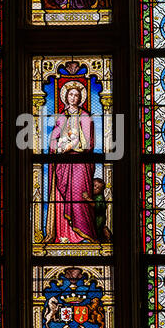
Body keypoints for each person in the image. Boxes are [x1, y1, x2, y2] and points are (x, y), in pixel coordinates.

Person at [44, 83, 97, 244]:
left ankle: (83, 235)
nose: (73, 97)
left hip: (80, 163)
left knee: (79, 196)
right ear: (65, 97)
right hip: (63, 163)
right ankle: (62, 235)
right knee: (61, 197)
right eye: (70, 95)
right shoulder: (61, 117)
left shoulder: (86, 117)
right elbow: (53, 138)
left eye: (76, 95)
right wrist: (58, 147)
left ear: (81, 98)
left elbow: (88, 142)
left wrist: (73, 145)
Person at [83, 178, 111, 242]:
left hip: (99, 218)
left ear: (101, 191)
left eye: (98, 188)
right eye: (94, 185)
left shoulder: (100, 197)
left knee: (98, 229)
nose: (95, 188)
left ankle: (101, 239)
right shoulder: (93, 195)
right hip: (94, 216)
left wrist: (87, 198)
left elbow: (96, 205)